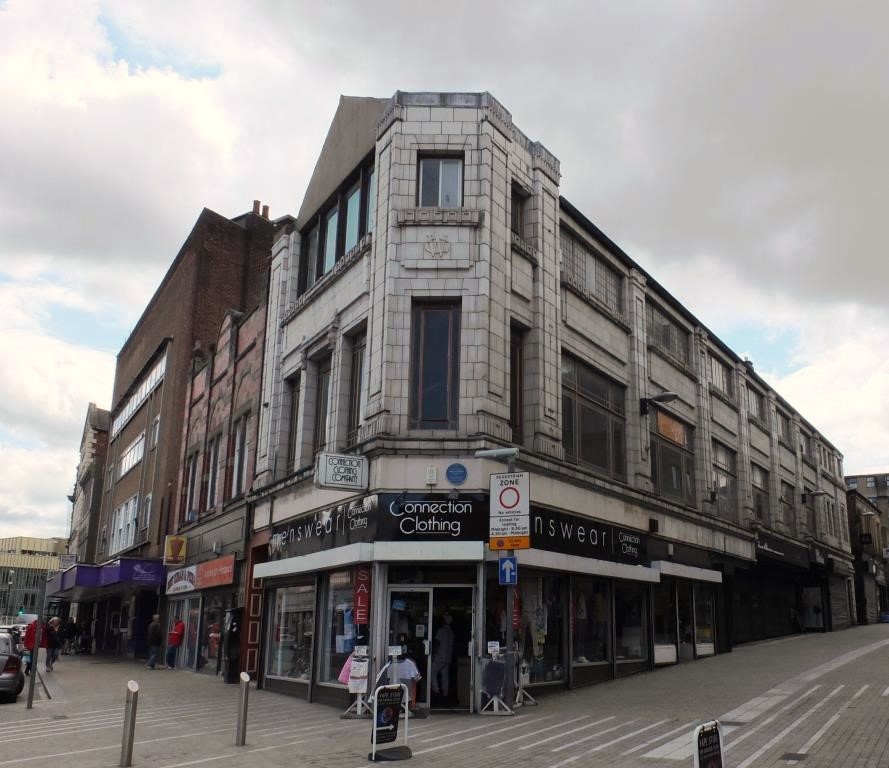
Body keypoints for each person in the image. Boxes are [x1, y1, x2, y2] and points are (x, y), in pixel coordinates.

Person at [430, 612, 455, 697]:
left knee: (432, 671)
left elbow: (437, 643)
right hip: (448, 657)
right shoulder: (451, 632)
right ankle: (445, 693)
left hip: (440, 656)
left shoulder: (441, 630)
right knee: (445, 675)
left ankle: (436, 690)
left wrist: (433, 654)